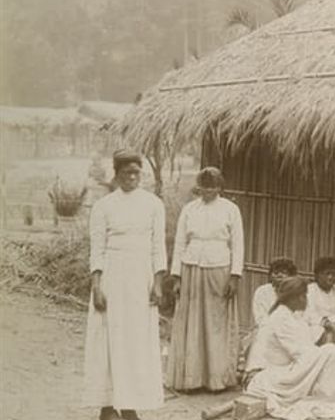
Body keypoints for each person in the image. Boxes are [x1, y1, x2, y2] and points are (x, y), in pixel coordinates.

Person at [82, 150, 167, 420]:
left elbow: (158, 246)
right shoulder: (104, 206)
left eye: (136, 173)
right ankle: (107, 405)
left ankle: (129, 404)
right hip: (112, 276)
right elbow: (97, 248)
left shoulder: (153, 204)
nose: (132, 177)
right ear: (116, 175)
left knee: (135, 341)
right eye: (127, 173)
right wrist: (97, 285)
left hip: (140, 278)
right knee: (107, 340)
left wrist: (157, 282)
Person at [166, 167, 244, 392]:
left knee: (215, 323)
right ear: (198, 187)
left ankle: (216, 379)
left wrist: (235, 276)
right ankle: (191, 378)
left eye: (213, 187)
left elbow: (238, 244)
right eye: (204, 187)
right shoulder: (190, 209)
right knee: (192, 321)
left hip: (219, 268)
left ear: (220, 187)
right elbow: (180, 242)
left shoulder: (231, 209)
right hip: (191, 267)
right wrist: (177, 276)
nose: (208, 192)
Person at [245, 276, 335, 420]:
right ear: (294, 298)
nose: (306, 299)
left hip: (281, 372)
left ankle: (331, 397)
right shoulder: (281, 317)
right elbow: (303, 353)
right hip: (267, 378)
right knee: (329, 352)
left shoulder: (291, 316)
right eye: (304, 295)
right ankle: (329, 400)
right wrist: (332, 351)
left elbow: (304, 347)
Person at [253, 259, 299, 327]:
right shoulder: (262, 292)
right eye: (276, 272)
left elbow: (298, 319)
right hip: (267, 330)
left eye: (284, 273)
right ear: (270, 276)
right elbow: (260, 319)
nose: (279, 275)